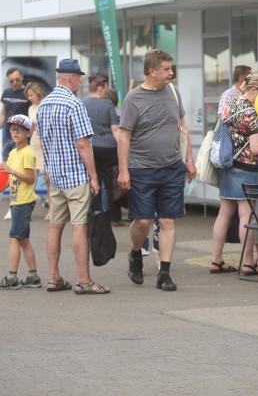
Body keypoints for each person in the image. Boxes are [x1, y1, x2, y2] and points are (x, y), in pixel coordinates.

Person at [117, 50, 195, 292]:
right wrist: (123, 171)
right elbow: (124, 136)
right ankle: (135, 254)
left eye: (171, 68)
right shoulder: (134, 98)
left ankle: (164, 273)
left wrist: (189, 159)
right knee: (143, 221)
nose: (171, 73)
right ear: (152, 71)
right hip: (142, 169)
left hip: (172, 166)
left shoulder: (173, 92)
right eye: (166, 69)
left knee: (168, 220)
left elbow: (183, 127)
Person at [37, 58, 109, 295]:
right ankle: (83, 280)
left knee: (55, 226)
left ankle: (54, 277)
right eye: (78, 77)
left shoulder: (44, 104)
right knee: (80, 226)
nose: (79, 81)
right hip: (76, 176)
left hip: (55, 176)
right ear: (72, 78)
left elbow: (43, 142)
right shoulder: (74, 105)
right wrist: (94, 176)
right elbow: (83, 145)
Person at [210, 72, 258, 275]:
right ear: (253, 90)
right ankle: (248, 262)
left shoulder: (231, 104)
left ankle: (216, 260)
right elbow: (257, 149)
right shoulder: (254, 114)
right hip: (246, 168)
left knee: (224, 213)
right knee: (246, 216)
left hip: (226, 164)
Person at [0, 114, 41, 290]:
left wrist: (11, 170)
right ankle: (33, 276)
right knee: (23, 239)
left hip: (23, 202)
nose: (15, 132)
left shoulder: (28, 153)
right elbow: (6, 178)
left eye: (19, 130)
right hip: (16, 200)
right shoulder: (12, 153)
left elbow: (30, 178)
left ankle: (12, 277)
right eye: (12, 129)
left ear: (28, 133)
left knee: (14, 239)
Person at [83, 74, 121, 224]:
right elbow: (115, 129)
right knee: (110, 183)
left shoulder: (82, 104)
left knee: (94, 181)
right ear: (101, 87)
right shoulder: (108, 105)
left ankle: (96, 213)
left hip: (90, 147)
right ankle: (112, 216)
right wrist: (124, 148)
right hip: (108, 147)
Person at [0, 67, 30, 162]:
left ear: (22, 77)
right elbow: (2, 115)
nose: (15, 83)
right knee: (6, 163)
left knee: (20, 164)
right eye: (11, 81)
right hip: (8, 134)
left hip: (21, 135)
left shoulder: (27, 93)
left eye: (17, 79)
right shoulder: (7, 93)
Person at [25, 82, 51, 219]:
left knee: (48, 179)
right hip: (34, 143)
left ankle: (52, 210)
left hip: (45, 143)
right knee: (31, 178)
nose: (29, 97)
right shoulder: (31, 108)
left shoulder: (46, 105)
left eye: (31, 95)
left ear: (38, 93)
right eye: (28, 95)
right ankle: (27, 210)